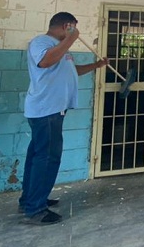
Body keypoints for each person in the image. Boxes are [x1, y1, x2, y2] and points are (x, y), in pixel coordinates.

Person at [19, 12, 108, 225]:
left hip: (54, 110)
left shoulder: (60, 47)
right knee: (47, 158)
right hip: (46, 110)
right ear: (66, 26)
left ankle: (30, 199)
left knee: (38, 156)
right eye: (73, 28)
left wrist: (97, 66)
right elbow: (45, 62)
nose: (75, 32)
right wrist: (71, 38)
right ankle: (35, 209)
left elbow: (71, 71)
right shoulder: (41, 42)